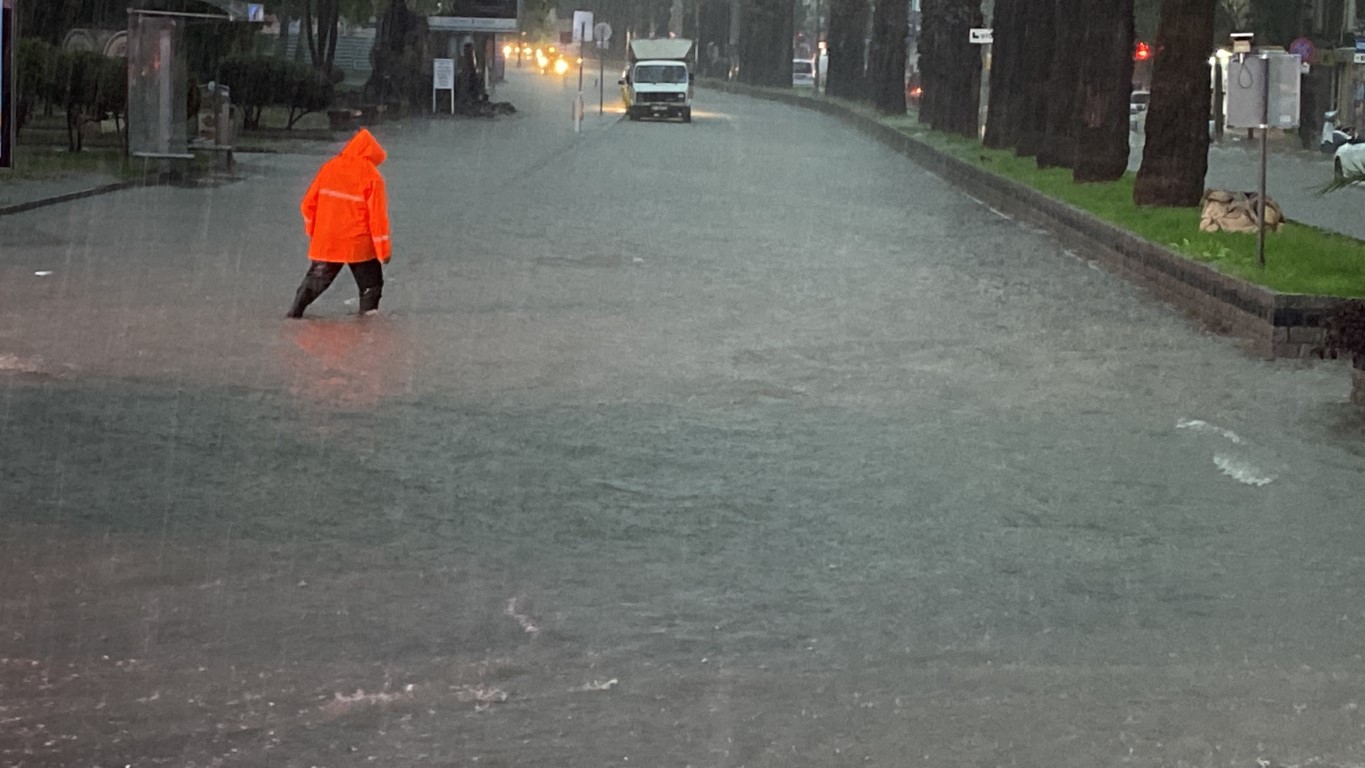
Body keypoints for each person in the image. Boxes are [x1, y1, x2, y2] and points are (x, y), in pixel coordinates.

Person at [288, 128, 392, 319]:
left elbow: (307, 204)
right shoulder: (373, 177)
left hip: (328, 240)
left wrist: (314, 232)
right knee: (371, 285)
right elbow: (377, 218)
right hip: (358, 244)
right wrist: (383, 251)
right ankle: (367, 327)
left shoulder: (329, 168)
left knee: (315, 282)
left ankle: (293, 316)